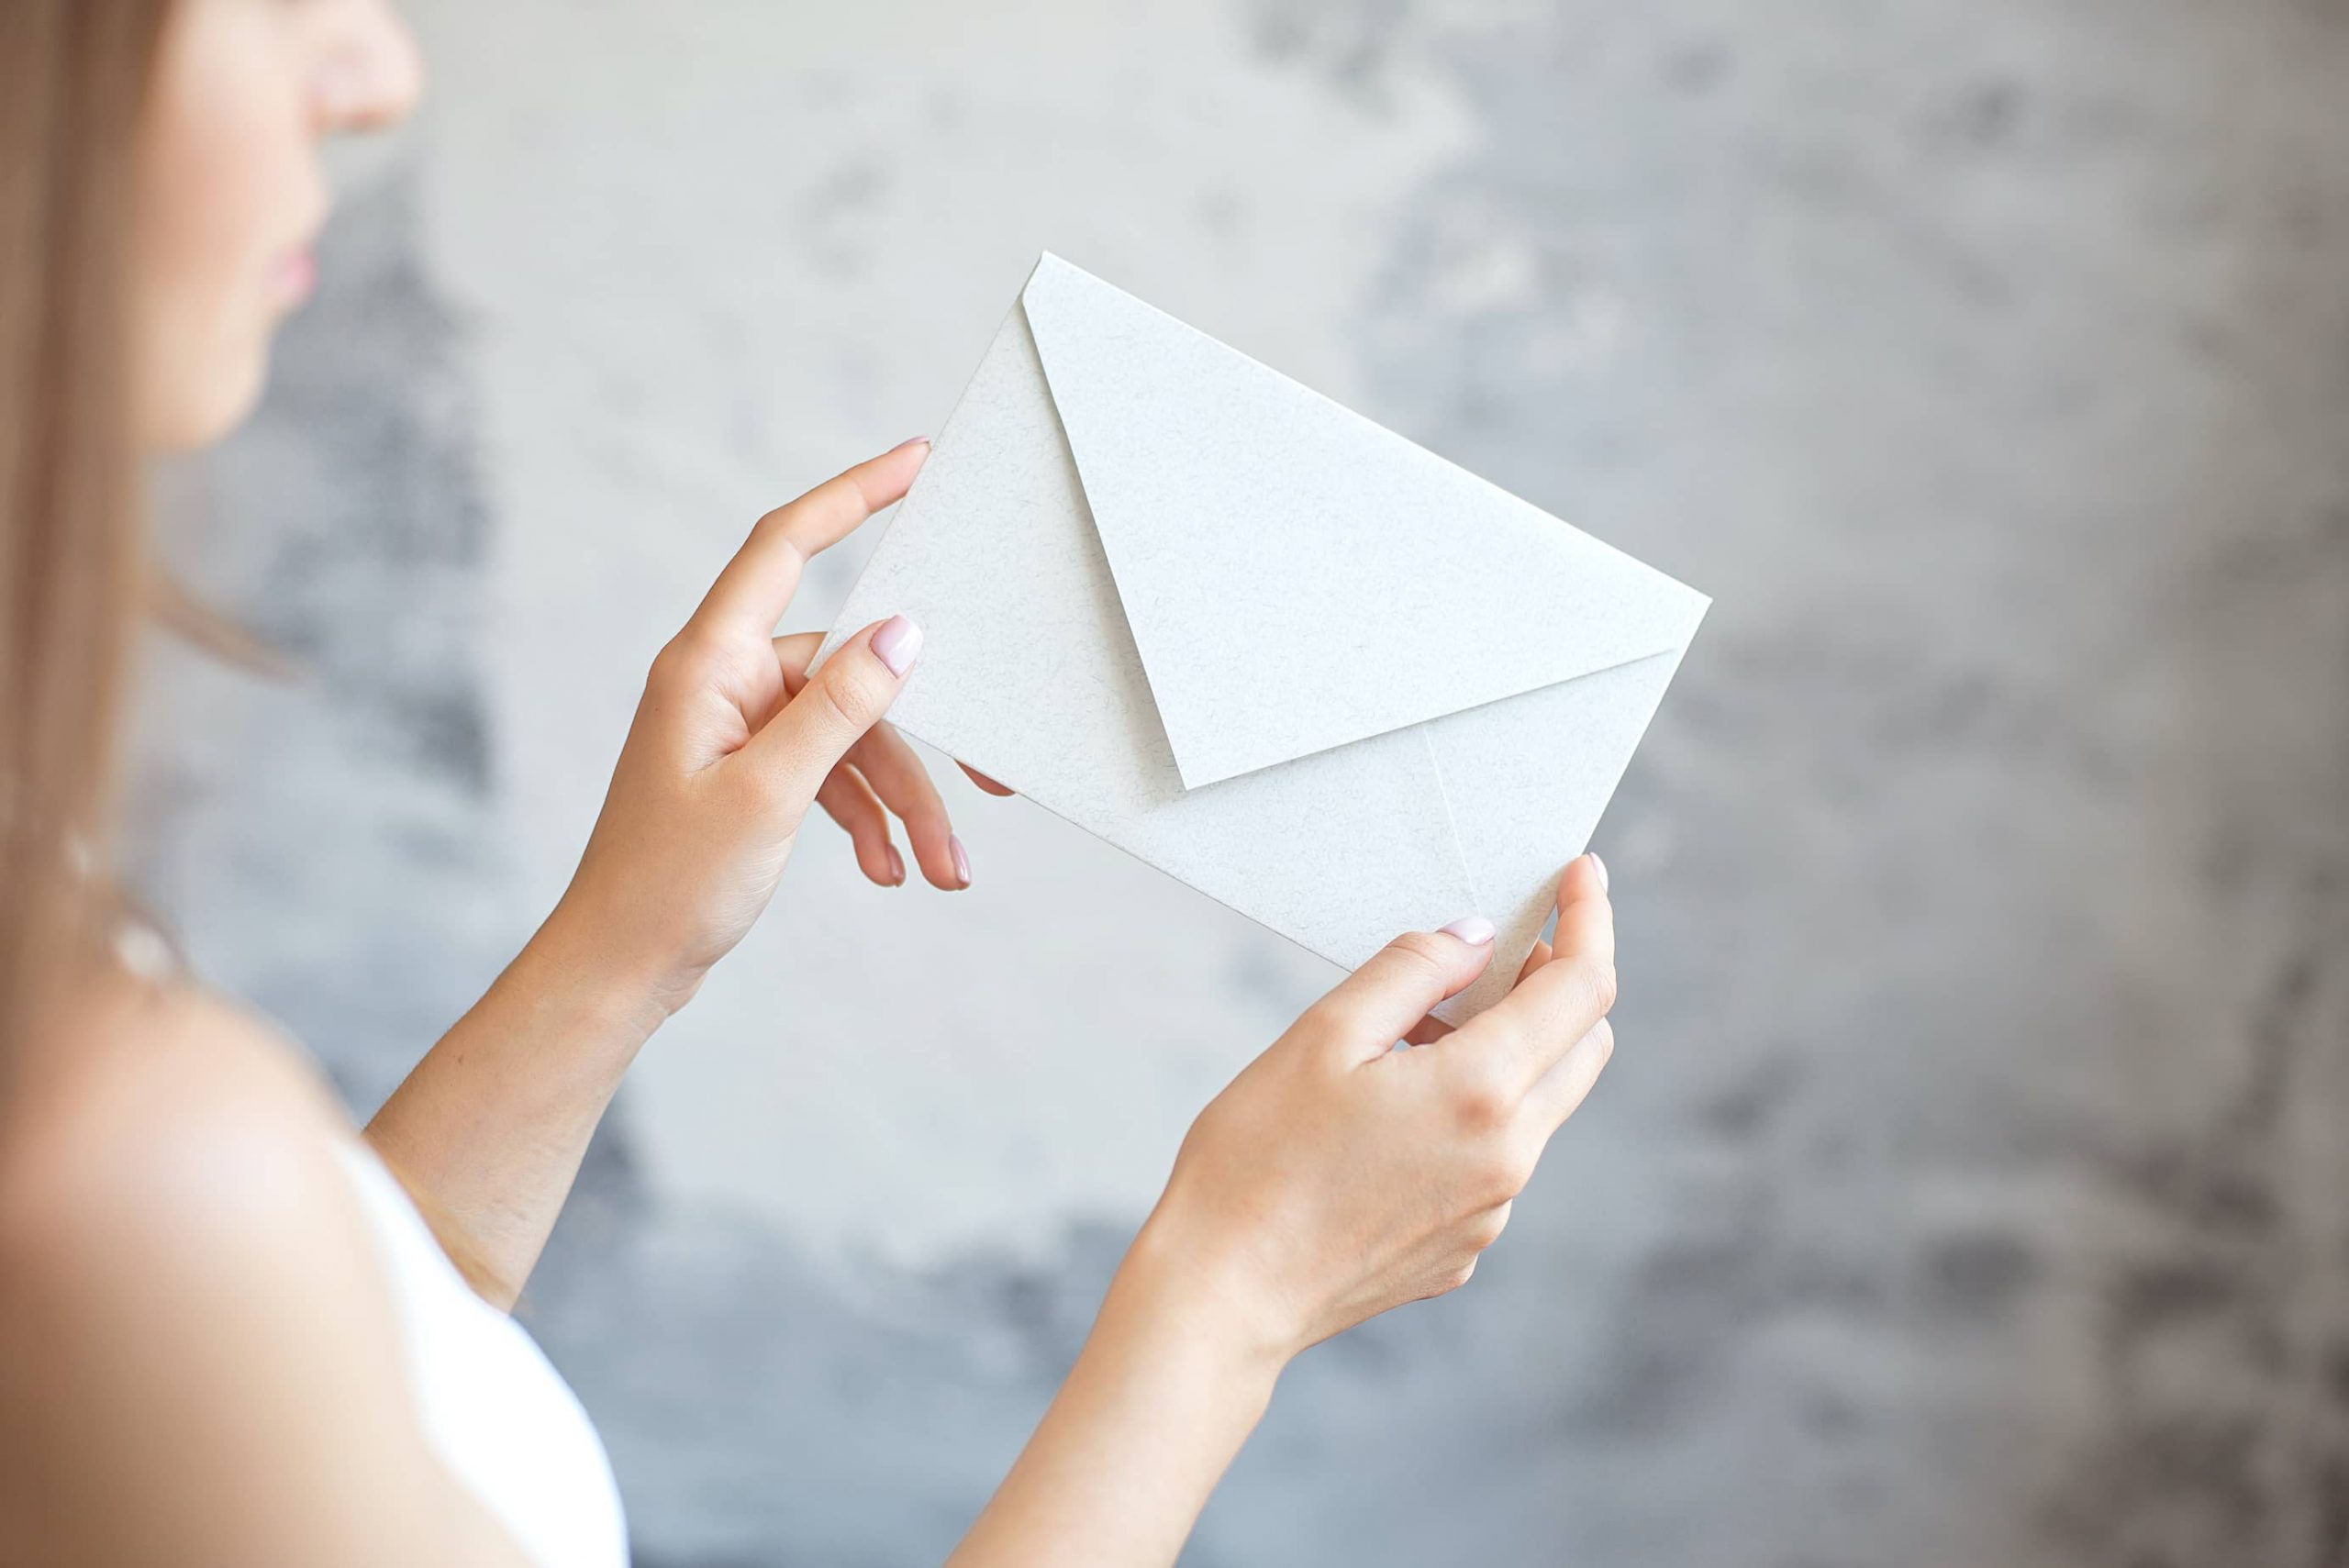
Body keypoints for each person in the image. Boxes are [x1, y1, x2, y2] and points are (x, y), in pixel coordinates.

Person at [0, 3, 1624, 1564]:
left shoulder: (63, 962)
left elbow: (327, 1412)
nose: (377, 72)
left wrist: (625, 946)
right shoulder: (116, 1152)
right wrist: (1236, 1296)